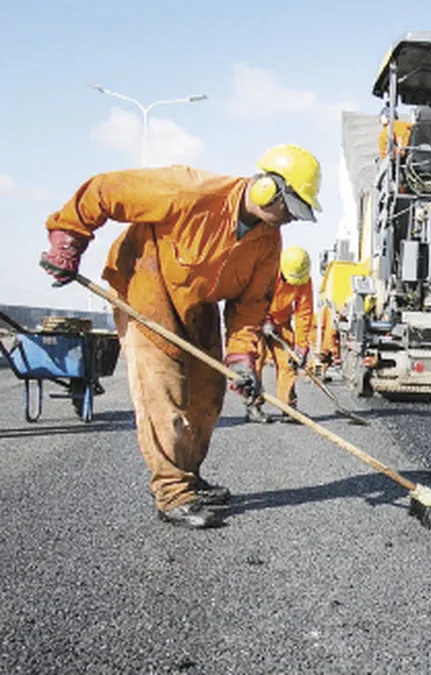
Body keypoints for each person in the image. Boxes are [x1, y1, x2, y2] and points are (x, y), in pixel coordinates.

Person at [38, 144, 323, 530]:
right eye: (288, 207)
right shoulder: (189, 191)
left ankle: (188, 474)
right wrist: (68, 239)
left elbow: (251, 305)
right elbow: (106, 190)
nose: (289, 219)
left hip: (198, 302)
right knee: (163, 392)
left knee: (208, 396)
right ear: (266, 189)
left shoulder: (268, 241)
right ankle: (172, 492)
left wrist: (243, 359)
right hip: (146, 285)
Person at [244, 246, 317, 423]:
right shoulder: (267, 271)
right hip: (258, 319)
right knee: (257, 362)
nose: (294, 284)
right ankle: (254, 406)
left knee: (288, 363)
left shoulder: (303, 280)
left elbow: (303, 313)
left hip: (282, 323)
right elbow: (254, 297)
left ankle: (288, 408)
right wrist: (265, 319)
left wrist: (301, 346)